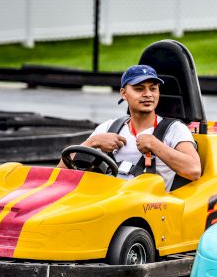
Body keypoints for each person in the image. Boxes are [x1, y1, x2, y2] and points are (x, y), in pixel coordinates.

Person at [59, 64, 201, 191]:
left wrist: (154, 144)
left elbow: (194, 170)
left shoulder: (174, 129)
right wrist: (91, 142)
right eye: (139, 89)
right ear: (123, 93)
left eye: (153, 89)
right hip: (106, 201)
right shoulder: (109, 127)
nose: (148, 94)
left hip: (149, 210)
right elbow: (61, 172)